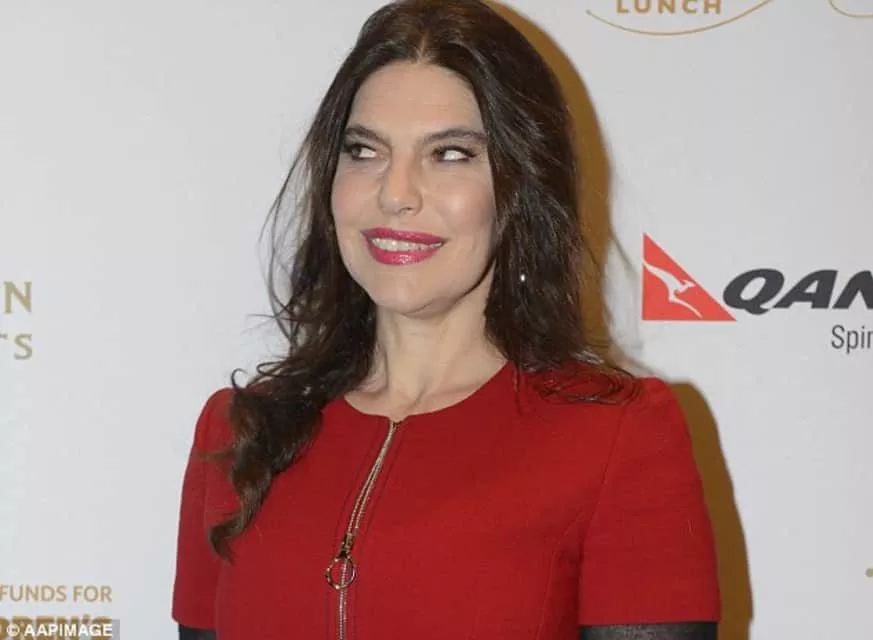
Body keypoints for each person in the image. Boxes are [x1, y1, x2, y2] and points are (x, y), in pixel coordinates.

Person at [171, 0, 721, 638]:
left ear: (521, 184)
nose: (395, 192)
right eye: (364, 150)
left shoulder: (616, 436)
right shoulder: (238, 432)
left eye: (451, 154)